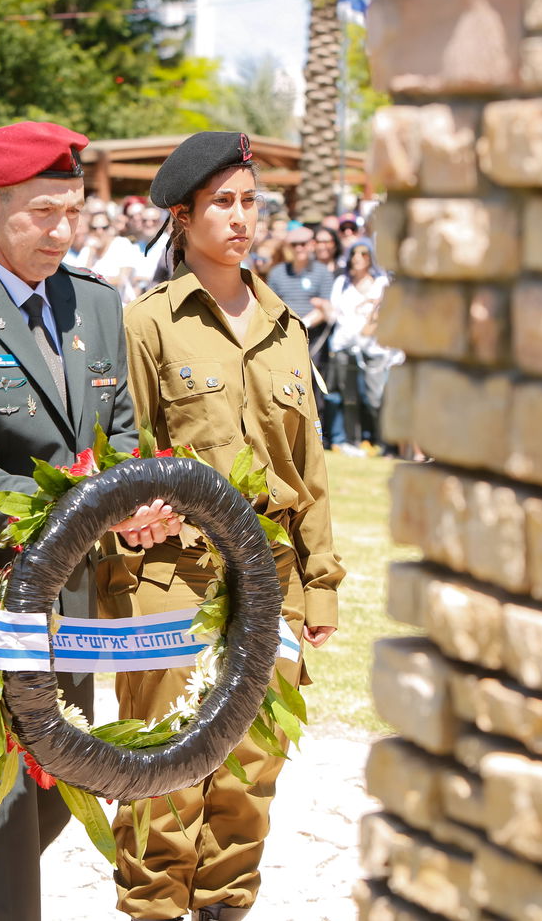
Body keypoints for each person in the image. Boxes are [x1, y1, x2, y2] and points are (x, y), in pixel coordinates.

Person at [0, 120, 180, 921]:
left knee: (50, 796)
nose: (62, 230)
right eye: (42, 212)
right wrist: (90, 512)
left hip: (65, 608)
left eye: (73, 210)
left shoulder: (95, 303)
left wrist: (135, 503)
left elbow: (118, 439)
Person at [110, 132, 343, 921]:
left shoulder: (286, 326)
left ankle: (224, 908)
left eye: (251, 202)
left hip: (271, 577)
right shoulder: (148, 324)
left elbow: (308, 473)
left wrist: (322, 587)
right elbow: (121, 457)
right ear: (182, 216)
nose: (242, 218)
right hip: (175, 574)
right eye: (223, 204)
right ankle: (151, 909)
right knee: (166, 766)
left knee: (251, 769)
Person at [324, 238, 388, 453]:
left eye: (364, 254)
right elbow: (333, 314)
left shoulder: (381, 283)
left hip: (374, 348)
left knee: (375, 397)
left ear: (371, 258)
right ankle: (353, 441)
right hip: (343, 346)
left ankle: (383, 443)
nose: (358, 258)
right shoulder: (342, 283)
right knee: (348, 397)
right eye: (354, 253)